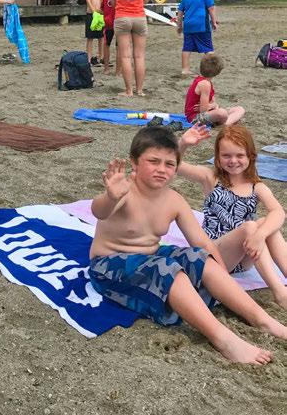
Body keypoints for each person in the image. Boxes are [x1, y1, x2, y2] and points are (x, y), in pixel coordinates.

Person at [88, 125, 287, 364]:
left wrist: (222, 278)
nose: (161, 169)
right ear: (134, 162)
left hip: (151, 255)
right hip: (108, 265)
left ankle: (263, 320)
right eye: (153, 161)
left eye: (169, 164)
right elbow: (99, 211)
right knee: (170, 270)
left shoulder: (174, 200)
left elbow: (202, 243)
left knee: (199, 257)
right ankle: (223, 338)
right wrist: (110, 196)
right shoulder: (124, 192)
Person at [178, 124, 287, 308]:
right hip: (213, 255)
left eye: (239, 155)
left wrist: (260, 235)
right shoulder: (211, 178)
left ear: (250, 156)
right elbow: (174, 165)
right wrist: (183, 143)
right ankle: (280, 292)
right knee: (251, 226)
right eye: (226, 155)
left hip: (243, 258)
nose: (233, 160)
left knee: (264, 223)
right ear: (218, 157)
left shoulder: (256, 187)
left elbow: (278, 212)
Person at [107, 0, 149, 96]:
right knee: (139, 56)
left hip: (122, 17)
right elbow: (145, 0)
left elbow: (112, 2)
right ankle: (140, 90)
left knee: (125, 56)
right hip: (139, 17)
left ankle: (128, 91)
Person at [184, 54, 245, 127]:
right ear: (217, 72)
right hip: (194, 118)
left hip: (208, 113)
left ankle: (226, 121)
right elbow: (203, 111)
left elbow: (214, 103)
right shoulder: (205, 84)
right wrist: (212, 106)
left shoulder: (205, 81)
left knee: (240, 109)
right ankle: (225, 124)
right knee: (222, 113)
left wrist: (212, 105)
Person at [177, 0, 217, 75]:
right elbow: (211, 8)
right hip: (201, 25)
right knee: (208, 48)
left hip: (188, 26)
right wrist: (214, 22)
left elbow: (180, 13)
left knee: (187, 48)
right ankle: (212, 68)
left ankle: (185, 69)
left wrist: (179, 26)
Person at [85, 0, 105, 66]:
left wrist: (100, 11)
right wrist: (94, 12)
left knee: (101, 37)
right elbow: (88, 0)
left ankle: (100, 57)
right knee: (90, 37)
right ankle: (89, 59)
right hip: (91, 14)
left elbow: (103, 1)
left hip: (100, 15)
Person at [101, 0, 117, 75]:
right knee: (119, 46)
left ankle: (106, 69)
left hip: (109, 22)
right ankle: (118, 70)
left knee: (106, 44)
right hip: (119, 21)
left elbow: (102, 8)